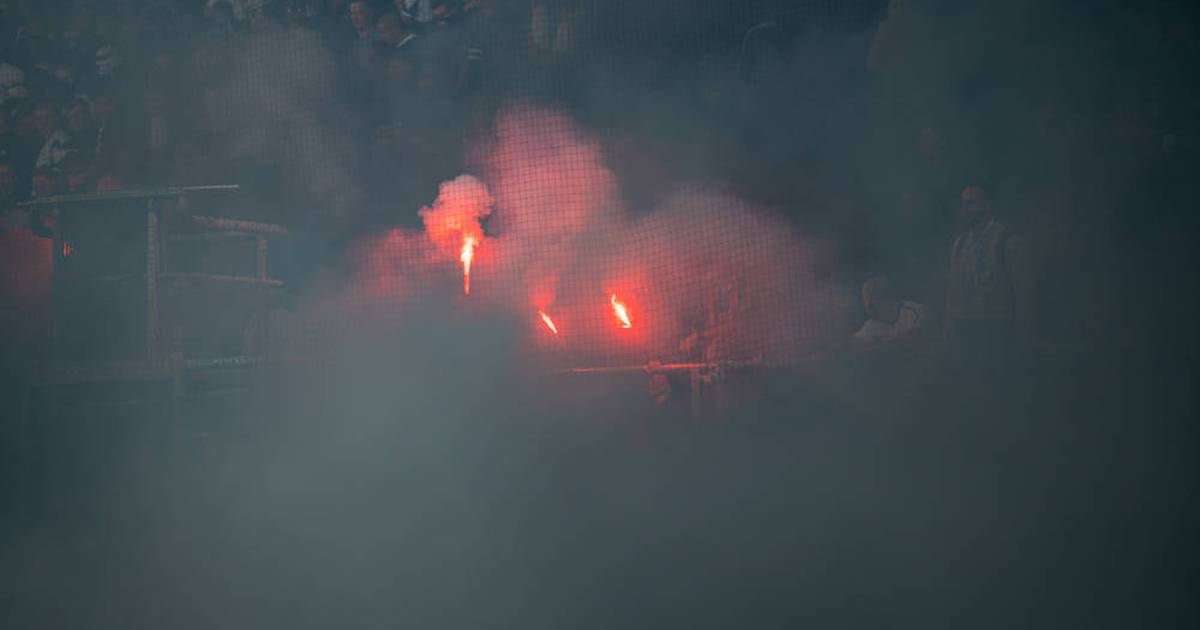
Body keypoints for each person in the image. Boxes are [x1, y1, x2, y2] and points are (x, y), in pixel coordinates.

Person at [944, 184, 1030, 378]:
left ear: (987, 204)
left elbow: (1023, 292)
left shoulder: (1007, 241)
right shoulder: (959, 245)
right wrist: (949, 327)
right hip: (966, 327)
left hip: (998, 326)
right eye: (963, 204)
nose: (965, 209)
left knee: (998, 382)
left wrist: (1023, 334)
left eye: (971, 203)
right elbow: (953, 289)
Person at [852, 275, 932, 346]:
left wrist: (885, 345)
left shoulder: (915, 311)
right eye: (869, 303)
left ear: (888, 296)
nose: (871, 307)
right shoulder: (873, 324)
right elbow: (854, 344)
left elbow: (920, 337)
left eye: (877, 298)